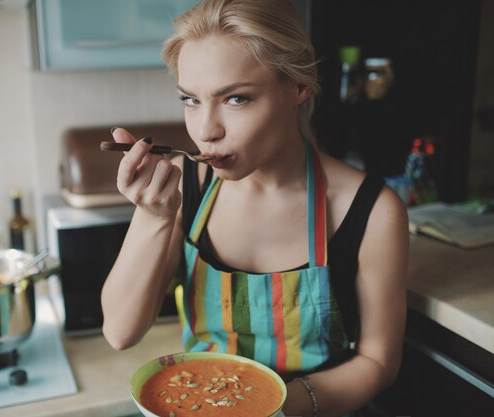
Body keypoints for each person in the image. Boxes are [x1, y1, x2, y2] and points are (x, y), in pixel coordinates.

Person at [101, 1, 409, 416]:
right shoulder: (182, 186)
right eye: (190, 100)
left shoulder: (371, 210)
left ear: (298, 87)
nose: (206, 131)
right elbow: (120, 333)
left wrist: (270, 409)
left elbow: (378, 362)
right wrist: (155, 218)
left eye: (237, 99)